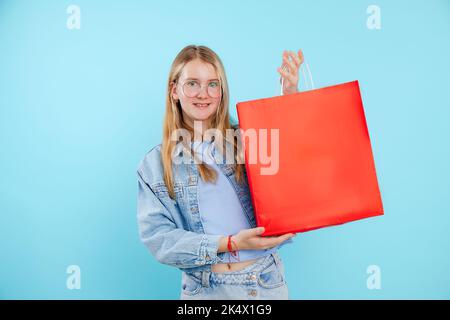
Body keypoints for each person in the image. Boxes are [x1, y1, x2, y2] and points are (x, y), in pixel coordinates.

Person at [137, 45, 304, 299]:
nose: (203, 94)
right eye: (192, 83)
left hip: (261, 284)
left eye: (213, 84)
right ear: (174, 91)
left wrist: (289, 97)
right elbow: (159, 239)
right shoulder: (155, 166)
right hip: (204, 290)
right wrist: (230, 243)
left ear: (221, 91)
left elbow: (292, 161)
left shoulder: (247, 138)